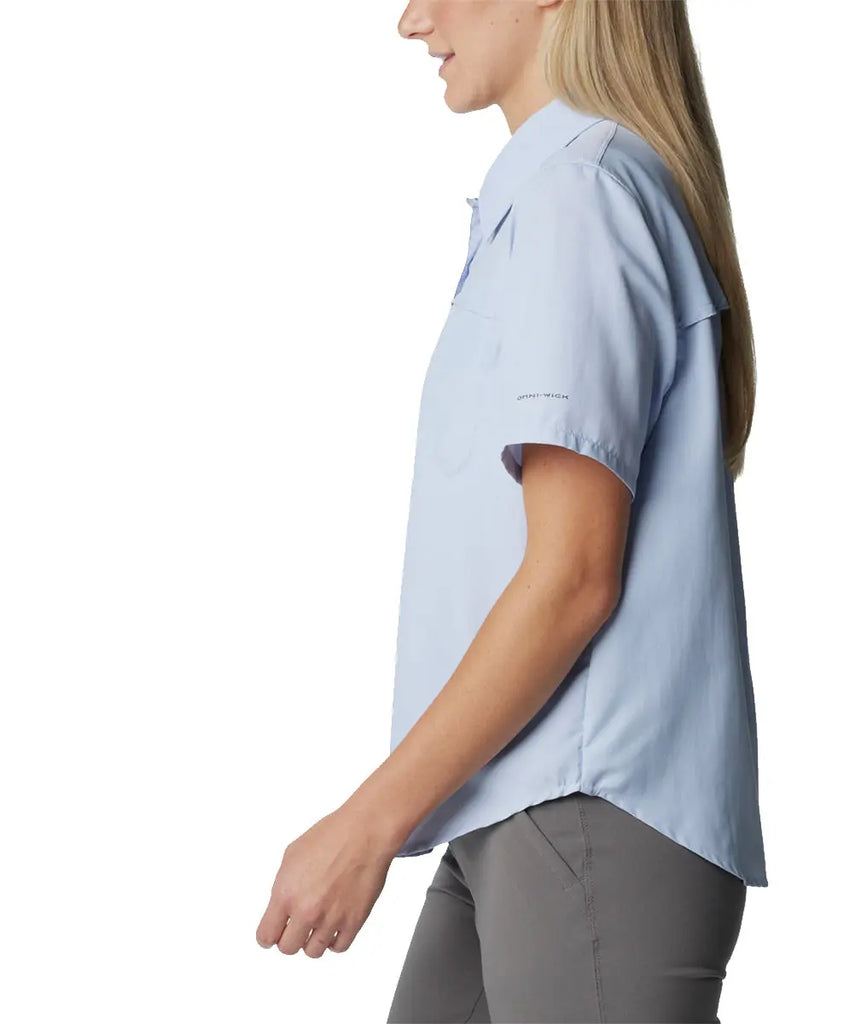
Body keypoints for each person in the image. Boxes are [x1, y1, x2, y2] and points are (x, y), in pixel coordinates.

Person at [256, 2, 767, 1021]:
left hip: (585, 804)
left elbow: (572, 576)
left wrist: (367, 822)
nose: (412, 20)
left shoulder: (582, 197)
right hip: (523, 795)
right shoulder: (562, 193)